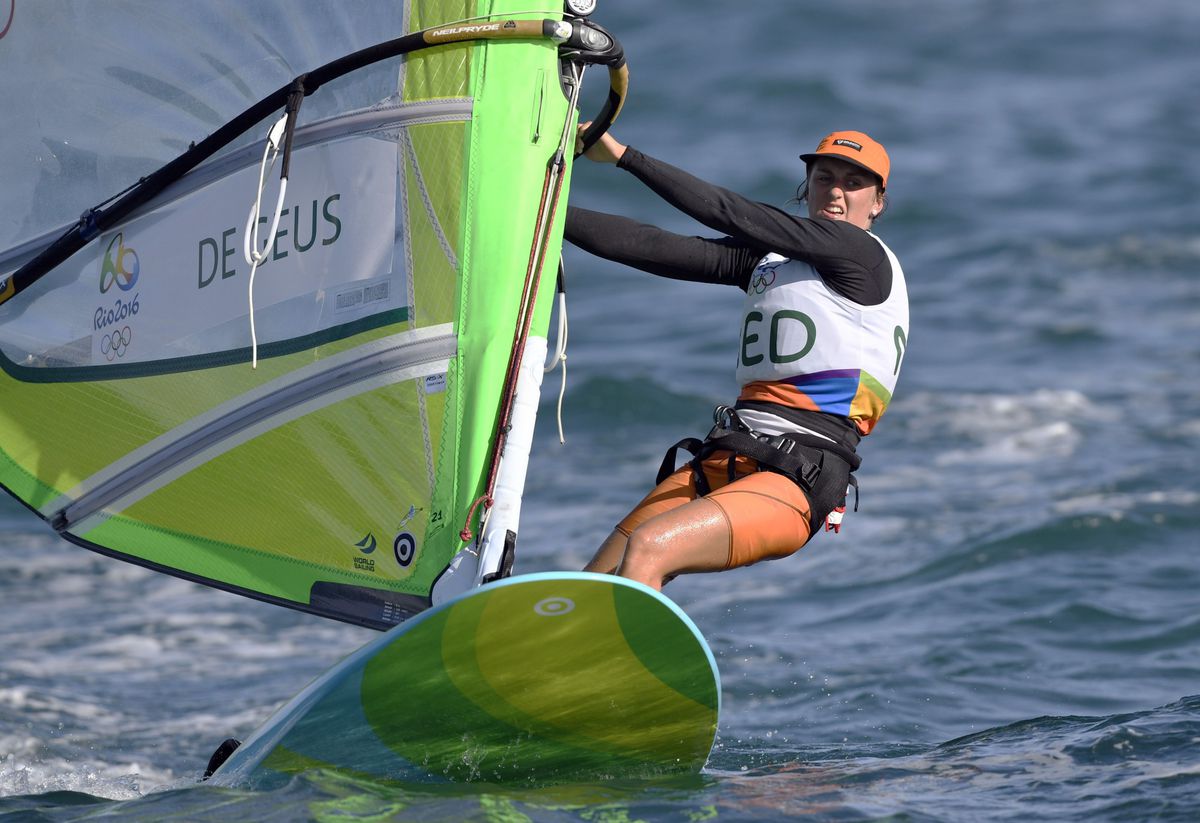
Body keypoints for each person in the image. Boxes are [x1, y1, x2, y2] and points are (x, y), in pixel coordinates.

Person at [564, 129, 909, 591]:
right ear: (808, 185)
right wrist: (545, 214)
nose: (836, 192)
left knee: (650, 546)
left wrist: (626, 157)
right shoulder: (773, 262)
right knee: (592, 585)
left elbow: (728, 211)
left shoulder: (861, 255)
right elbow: (654, 246)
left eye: (853, 183)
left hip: (800, 475)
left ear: (878, 202)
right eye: (824, 178)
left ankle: (617, 662)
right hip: (732, 454)